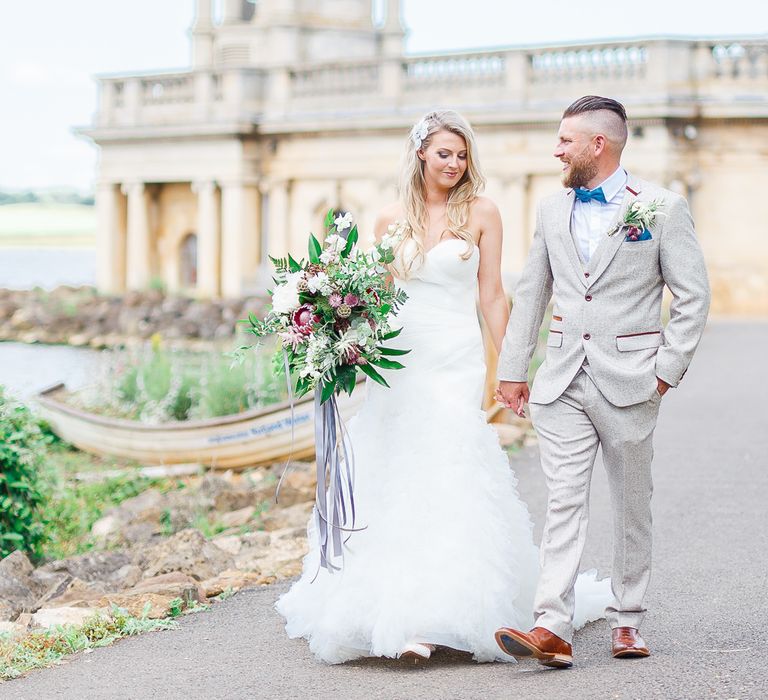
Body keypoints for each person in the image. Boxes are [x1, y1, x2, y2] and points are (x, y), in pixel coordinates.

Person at [276, 110, 609, 664]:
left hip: (454, 358)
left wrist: (513, 368)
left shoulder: (483, 213)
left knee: (448, 467)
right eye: (444, 153)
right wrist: (335, 340)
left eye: (461, 154)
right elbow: (370, 299)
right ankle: (394, 608)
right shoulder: (387, 220)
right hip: (398, 361)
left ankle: (438, 617)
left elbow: (493, 297)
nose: (454, 163)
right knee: (396, 468)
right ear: (421, 156)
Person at [494, 96, 710, 668]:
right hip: (562, 378)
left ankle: (629, 618)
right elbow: (532, 292)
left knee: (630, 503)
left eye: (565, 139)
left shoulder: (662, 207)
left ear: (599, 144)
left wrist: (665, 373)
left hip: (633, 379)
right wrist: (514, 370)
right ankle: (552, 626)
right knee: (564, 499)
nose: (556, 149)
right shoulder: (548, 209)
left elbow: (692, 297)